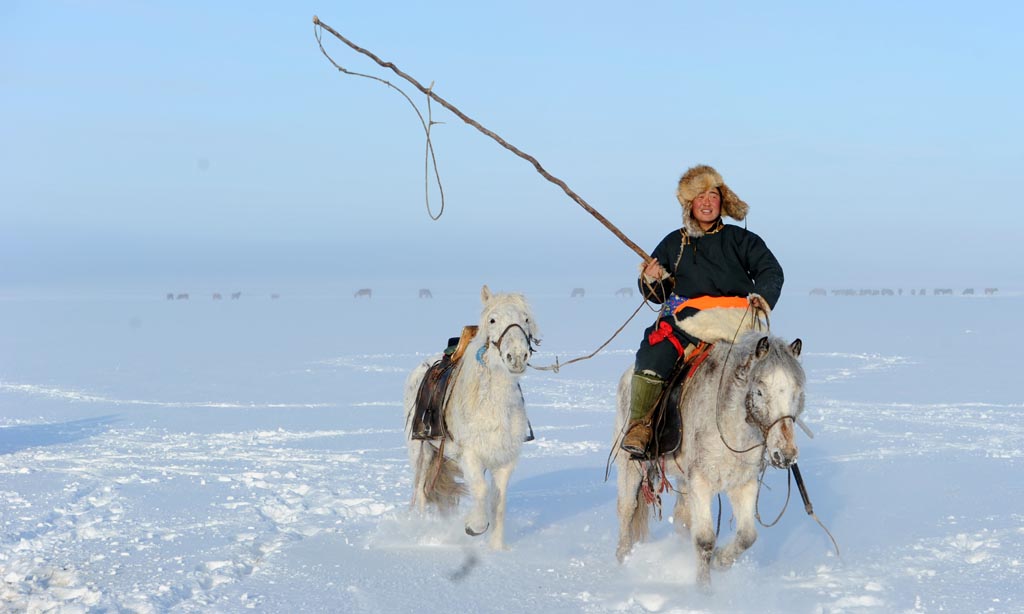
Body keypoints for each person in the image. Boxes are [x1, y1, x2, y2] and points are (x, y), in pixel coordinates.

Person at [620, 164, 784, 456]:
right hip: (687, 325)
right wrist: (651, 277)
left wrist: (763, 297)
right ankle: (641, 425)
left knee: (776, 373)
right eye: (700, 196)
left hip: (738, 325)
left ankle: (778, 430)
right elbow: (657, 296)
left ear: (722, 201)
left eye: (713, 195)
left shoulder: (742, 240)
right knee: (653, 353)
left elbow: (771, 271)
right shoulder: (674, 243)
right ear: (689, 204)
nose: (707, 202)